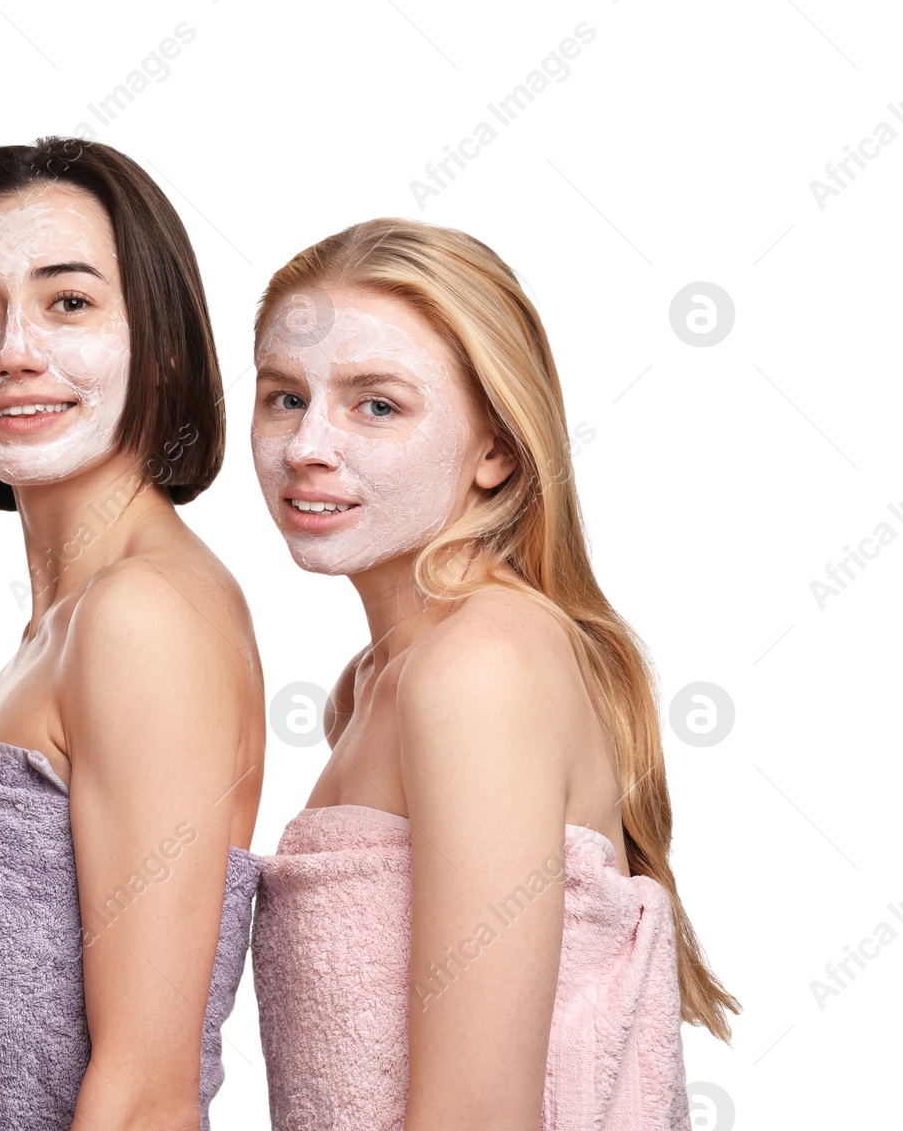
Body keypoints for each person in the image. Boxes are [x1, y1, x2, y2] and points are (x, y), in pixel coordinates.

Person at [247, 218, 738, 1130]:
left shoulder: (479, 669)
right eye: (283, 396)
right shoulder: (370, 686)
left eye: (377, 404)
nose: (306, 443)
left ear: (496, 450)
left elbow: (477, 1115)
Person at [0, 136, 266, 1131]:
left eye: (69, 301)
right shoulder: (52, 633)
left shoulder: (142, 616)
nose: (15, 349)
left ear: (167, 340)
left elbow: (149, 1094)